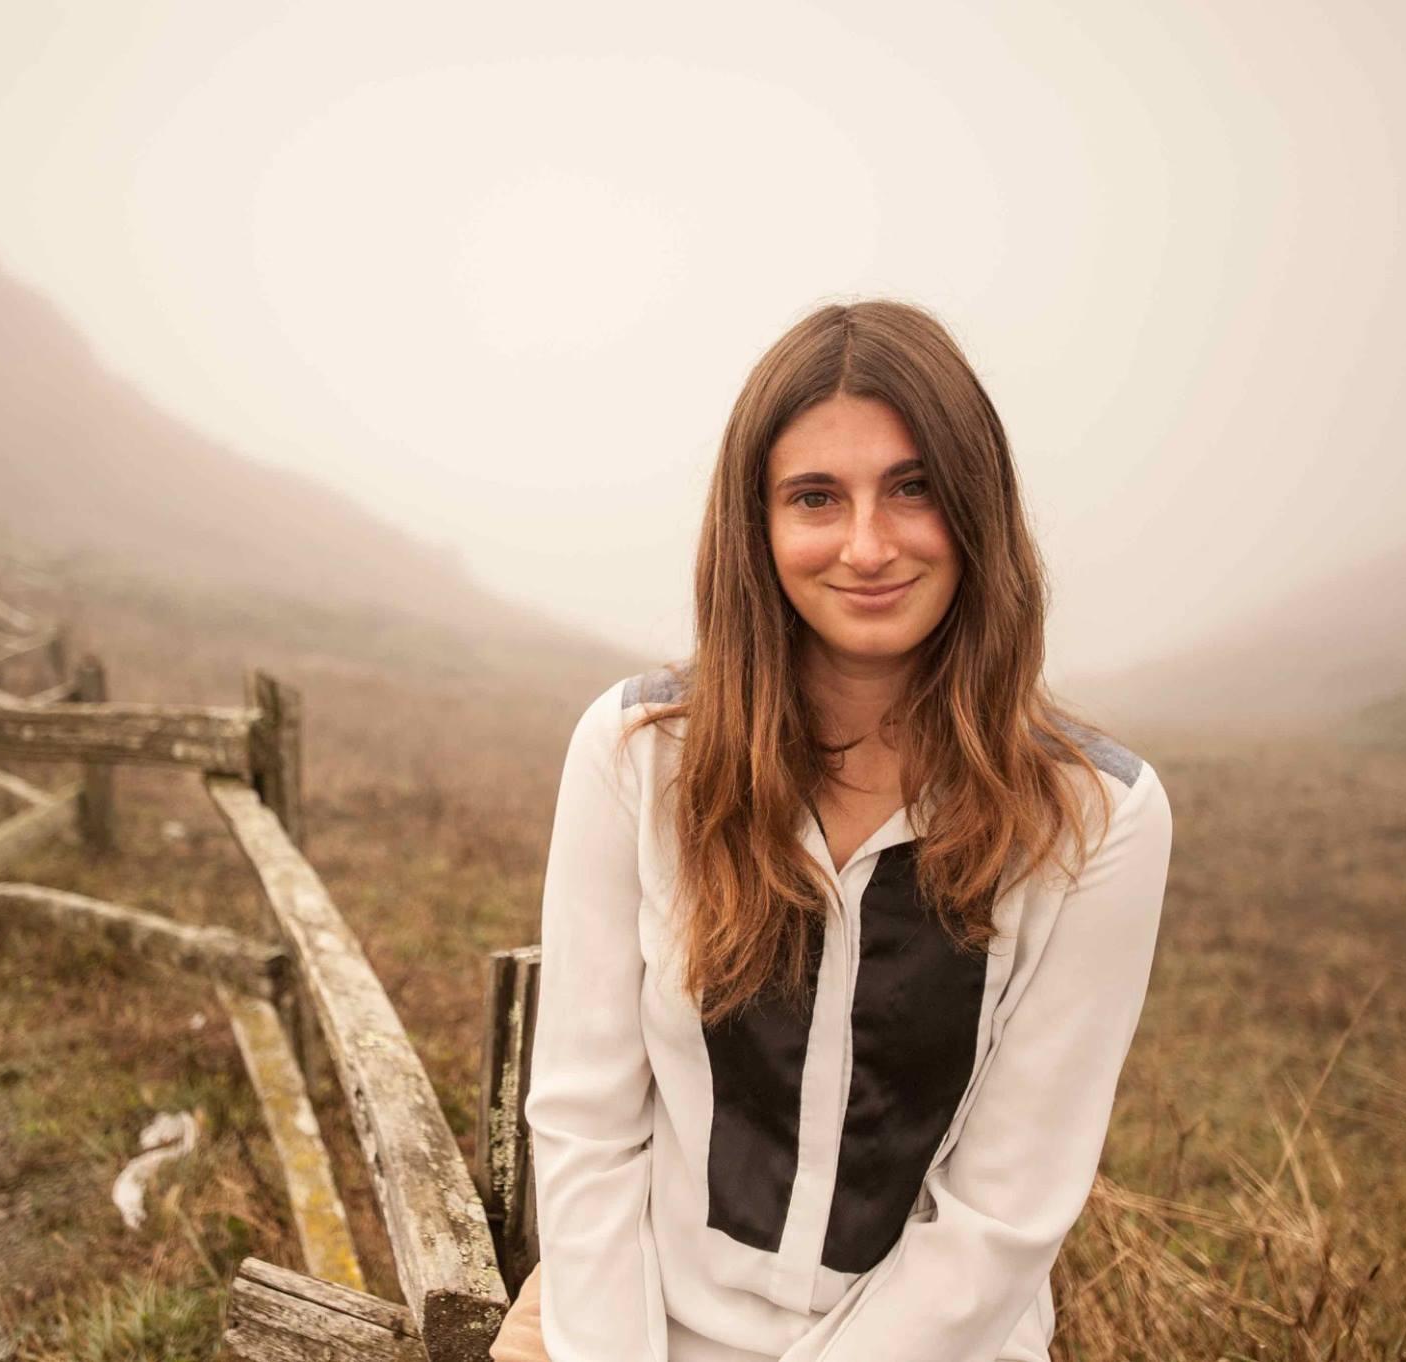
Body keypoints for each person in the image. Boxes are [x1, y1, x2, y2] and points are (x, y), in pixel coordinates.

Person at [490, 298, 1174, 1362]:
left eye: (912, 488)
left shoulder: (1096, 816)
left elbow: (1002, 1213)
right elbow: (587, 1121)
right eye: (815, 497)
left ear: (976, 504)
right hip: (647, 1333)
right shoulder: (638, 754)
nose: (867, 545)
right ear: (755, 527)